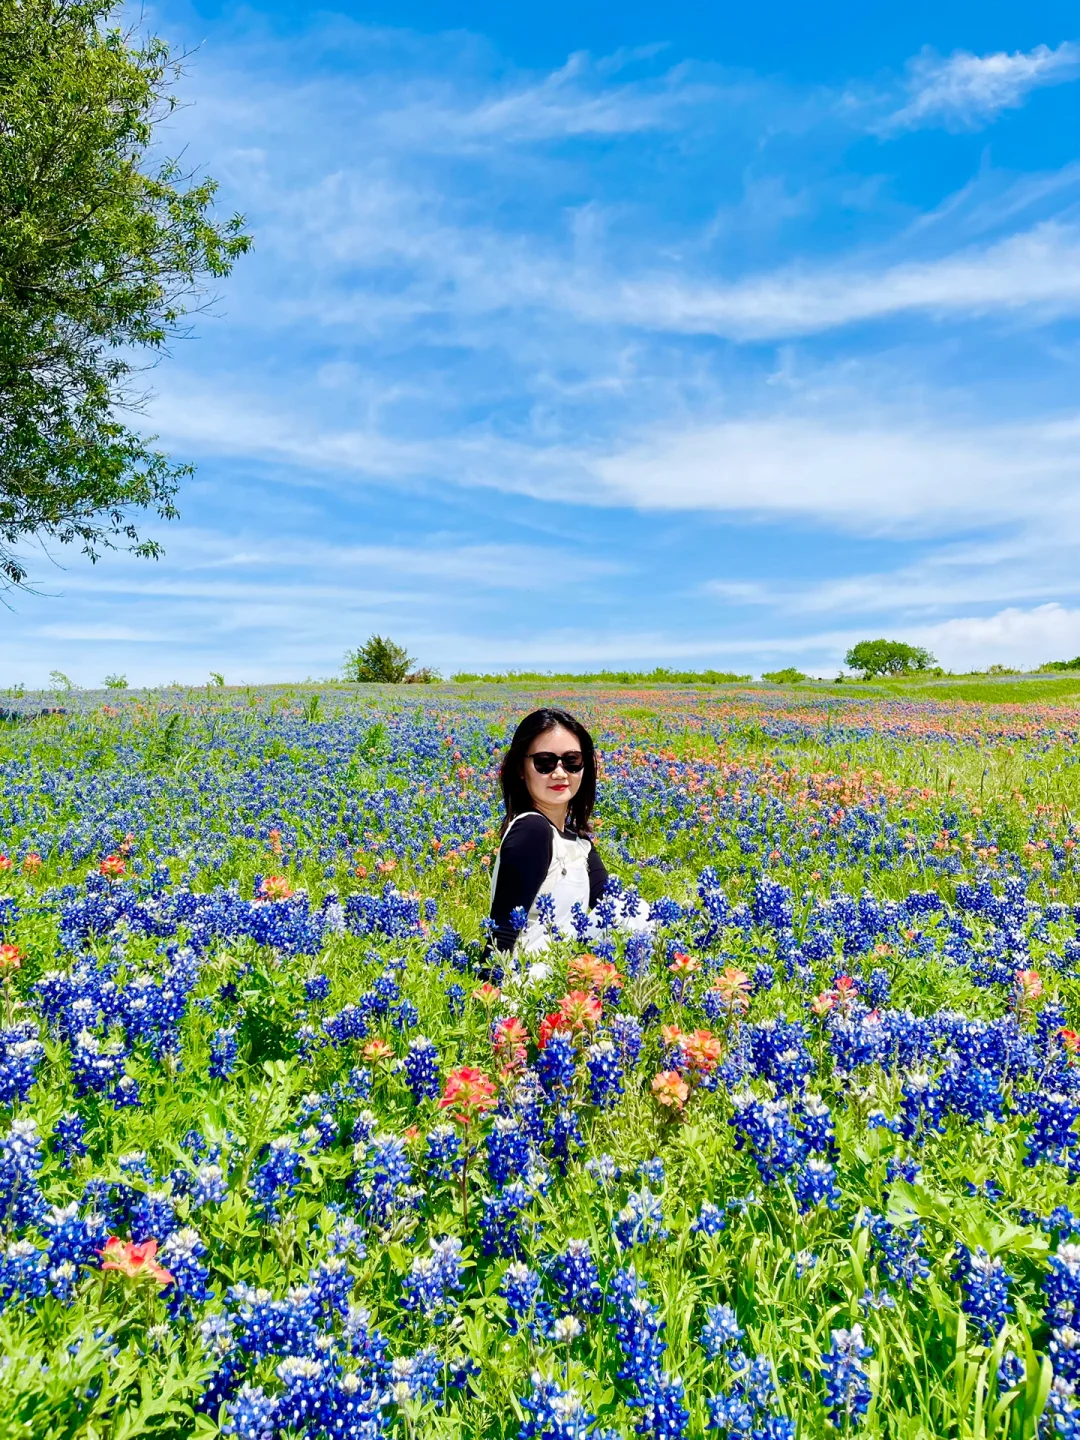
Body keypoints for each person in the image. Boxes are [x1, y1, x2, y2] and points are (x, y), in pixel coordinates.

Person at [487, 707, 609, 955]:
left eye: (572, 761)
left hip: (567, 982)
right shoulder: (532, 830)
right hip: (527, 987)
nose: (560, 773)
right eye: (545, 762)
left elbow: (615, 910)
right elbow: (502, 937)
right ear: (521, 769)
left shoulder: (580, 844)